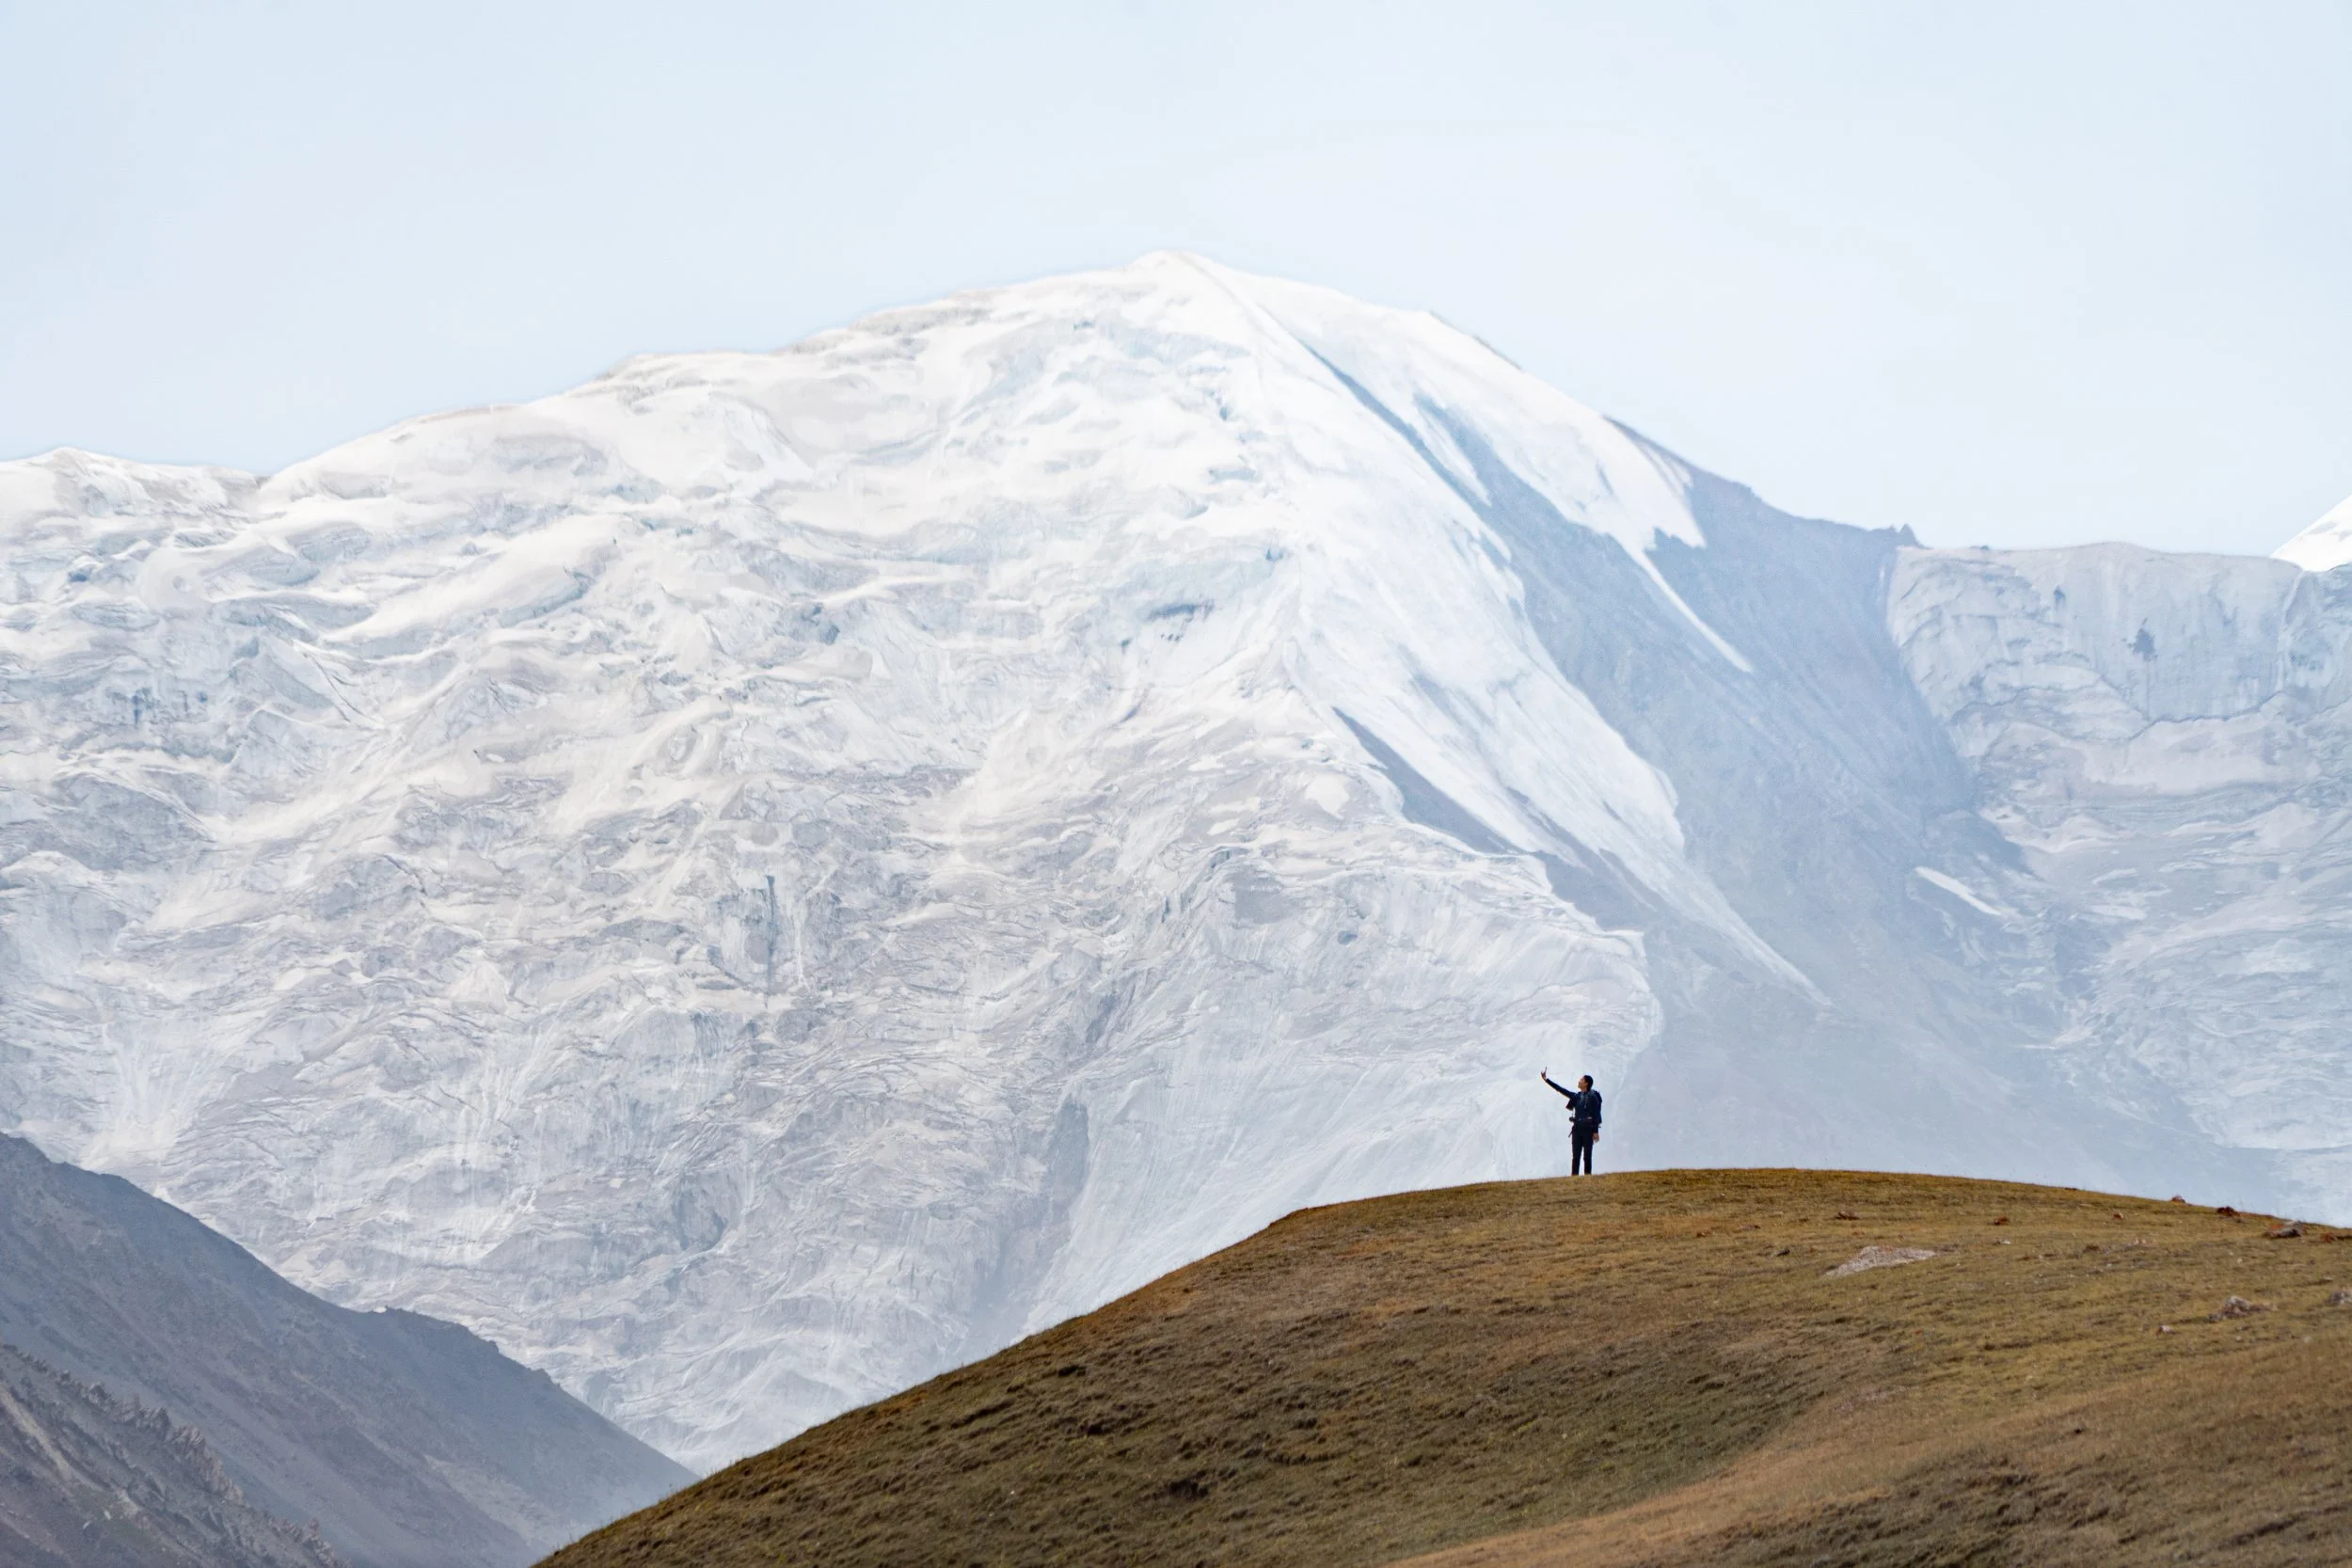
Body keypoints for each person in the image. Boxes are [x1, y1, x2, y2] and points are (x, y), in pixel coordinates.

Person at [1539, 1069, 1603, 1175]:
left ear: (1586, 1083)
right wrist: (1547, 1080)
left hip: (1588, 1129)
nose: (1579, 1081)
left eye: (1581, 1080)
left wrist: (1595, 1132)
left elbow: (1595, 1114)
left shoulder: (1593, 1097)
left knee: (1587, 1156)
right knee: (1576, 1156)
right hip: (1577, 1129)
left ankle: (1588, 1178)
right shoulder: (1576, 1096)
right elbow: (1560, 1089)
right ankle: (1574, 1178)